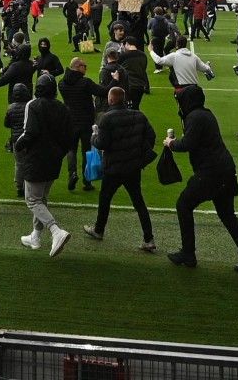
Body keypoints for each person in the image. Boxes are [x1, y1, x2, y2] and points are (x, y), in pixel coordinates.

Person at [164, 85, 238, 277]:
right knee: (227, 215)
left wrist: (171, 143)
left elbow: (188, 144)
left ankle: (188, 253)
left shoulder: (195, 117)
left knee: (183, 205)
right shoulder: (206, 114)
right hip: (225, 170)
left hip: (210, 172)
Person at [84, 86, 157, 253]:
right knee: (139, 202)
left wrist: (93, 136)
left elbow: (102, 143)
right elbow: (151, 137)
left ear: (110, 100)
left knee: (105, 199)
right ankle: (149, 238)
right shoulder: (139, 115)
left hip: (114, 167)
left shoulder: (106, 118)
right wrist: (139, 154)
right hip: (133, 167)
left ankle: (99, 229)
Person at [13, 73, 73, 257]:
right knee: (41, 199)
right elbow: (68, 137)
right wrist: (59, 153)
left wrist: (18, 145)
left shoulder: (33, 105)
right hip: (54, 160)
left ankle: (56, 231)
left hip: (36, 158)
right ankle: (36, 236)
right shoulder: (63, 108)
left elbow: (29, 132)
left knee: (32, 199)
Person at [59, 57, 99, 191]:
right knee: (86, 150)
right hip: (86, 121)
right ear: (78, 67)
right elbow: (102, 91)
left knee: (71, 149)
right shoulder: (85, 83)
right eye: (84, 66)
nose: (86, 68)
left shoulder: (62, 83)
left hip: (70, 121)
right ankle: (87, 181)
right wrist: (115, 81)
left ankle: (72, 174)